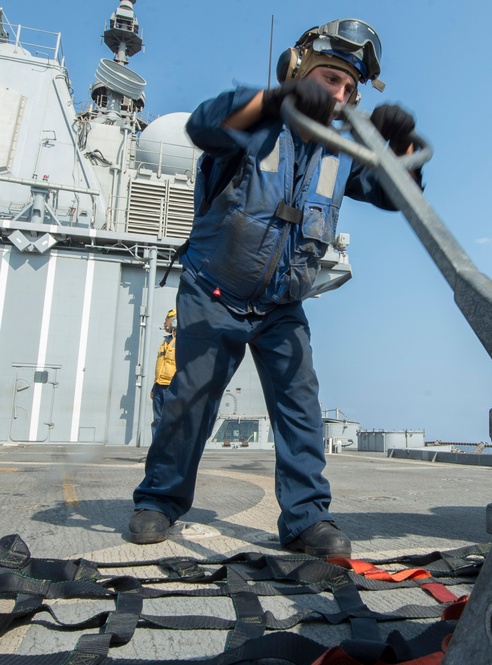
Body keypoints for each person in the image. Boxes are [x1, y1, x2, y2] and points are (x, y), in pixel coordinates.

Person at [128, 18, 420, 557]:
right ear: (299, 71)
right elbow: (205, 125)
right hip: (214, 292)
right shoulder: (256, 126)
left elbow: (393, 192)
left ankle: (307, 519)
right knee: (189, 402)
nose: (339, 94)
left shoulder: (337, 153)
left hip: (282, 305)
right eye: (330, 79)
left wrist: (399, 144)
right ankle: (159, 500)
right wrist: (278, 100)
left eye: (348, 88)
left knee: (300, 407)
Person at [150, 308, 177, 435]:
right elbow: (161, 366)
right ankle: (156, 446)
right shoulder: (165, 342)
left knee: (171, 420)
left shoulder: (182, 342)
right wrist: (154, 386)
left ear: (174, 321)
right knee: (157, 420)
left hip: (171, 387)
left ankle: (170, 446)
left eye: (167, 320)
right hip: (159, 386)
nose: (164, 323)